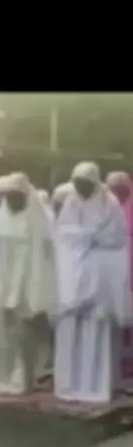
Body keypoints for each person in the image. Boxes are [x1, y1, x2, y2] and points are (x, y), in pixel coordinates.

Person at [54, 162, 132, 404]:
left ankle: (96, 386)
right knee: (71, 330)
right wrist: (87, 236)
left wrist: (85, 236)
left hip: (100, 279)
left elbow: (115, 239)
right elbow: (63, 236)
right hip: (72, 279)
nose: (81, 189)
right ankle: (70, 385)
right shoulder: (71, 203)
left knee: (97, 331)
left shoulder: (109, 204)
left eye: (85, 184)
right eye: (77, 184)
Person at [0, 172, 57, 395]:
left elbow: (44, 257)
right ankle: (2, 375)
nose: (13, 201)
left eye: (18, 196)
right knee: (2, 335)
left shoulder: (36, 222)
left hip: (25, 284)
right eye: (10, 196)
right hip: (0, 285)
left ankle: (23, 378)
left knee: (25, 336)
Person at [105, 172, 133, 380]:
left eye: (120, 188)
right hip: (115, 263)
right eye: (113, 188)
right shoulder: (108, 205)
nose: (116, 192)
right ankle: (119, 360)